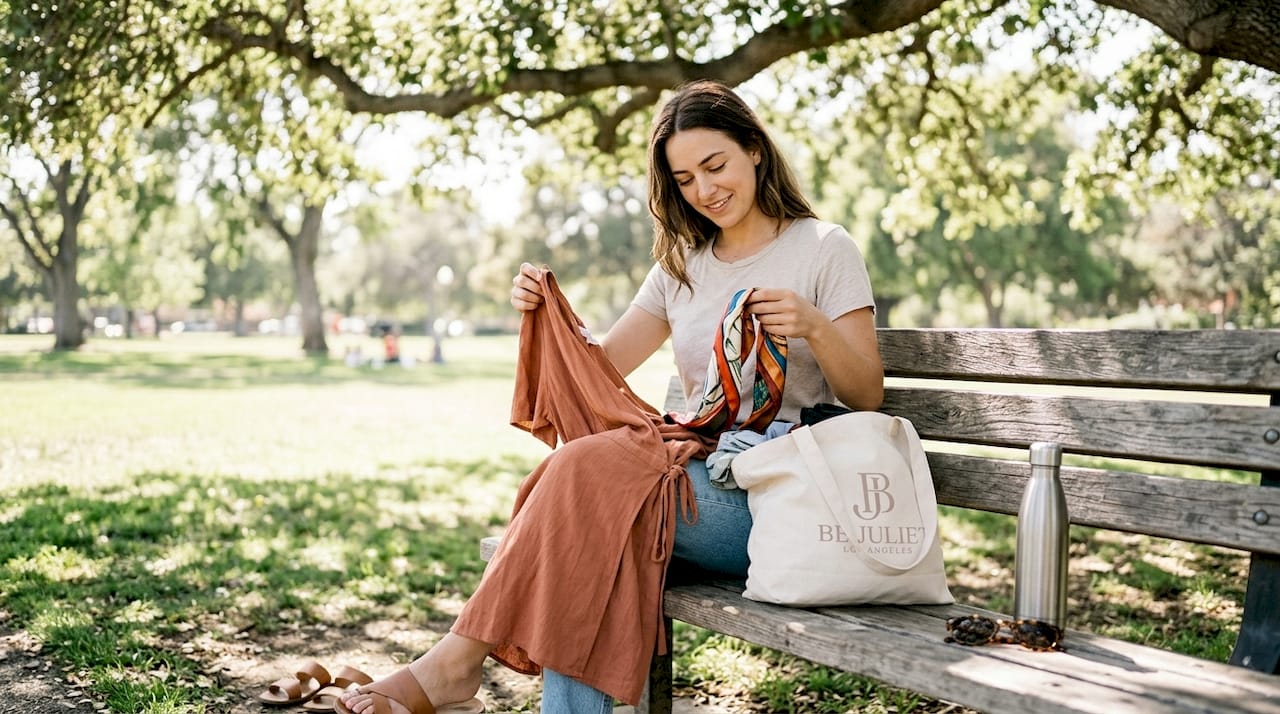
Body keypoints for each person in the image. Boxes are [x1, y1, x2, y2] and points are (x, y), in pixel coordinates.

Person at [336, 78, 883, 714]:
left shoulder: (822, 249)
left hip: (779, 503)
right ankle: (458, 673)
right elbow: (605, 365)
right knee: (596, 537)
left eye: (715, 165)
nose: (705, 191)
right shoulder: (681, 262)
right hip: (694, 478)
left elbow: (866, 394)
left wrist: (813, 324)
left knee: (584, 487)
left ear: (754, 150)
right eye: (684, 179)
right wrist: (548, 316)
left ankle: (453, 668)